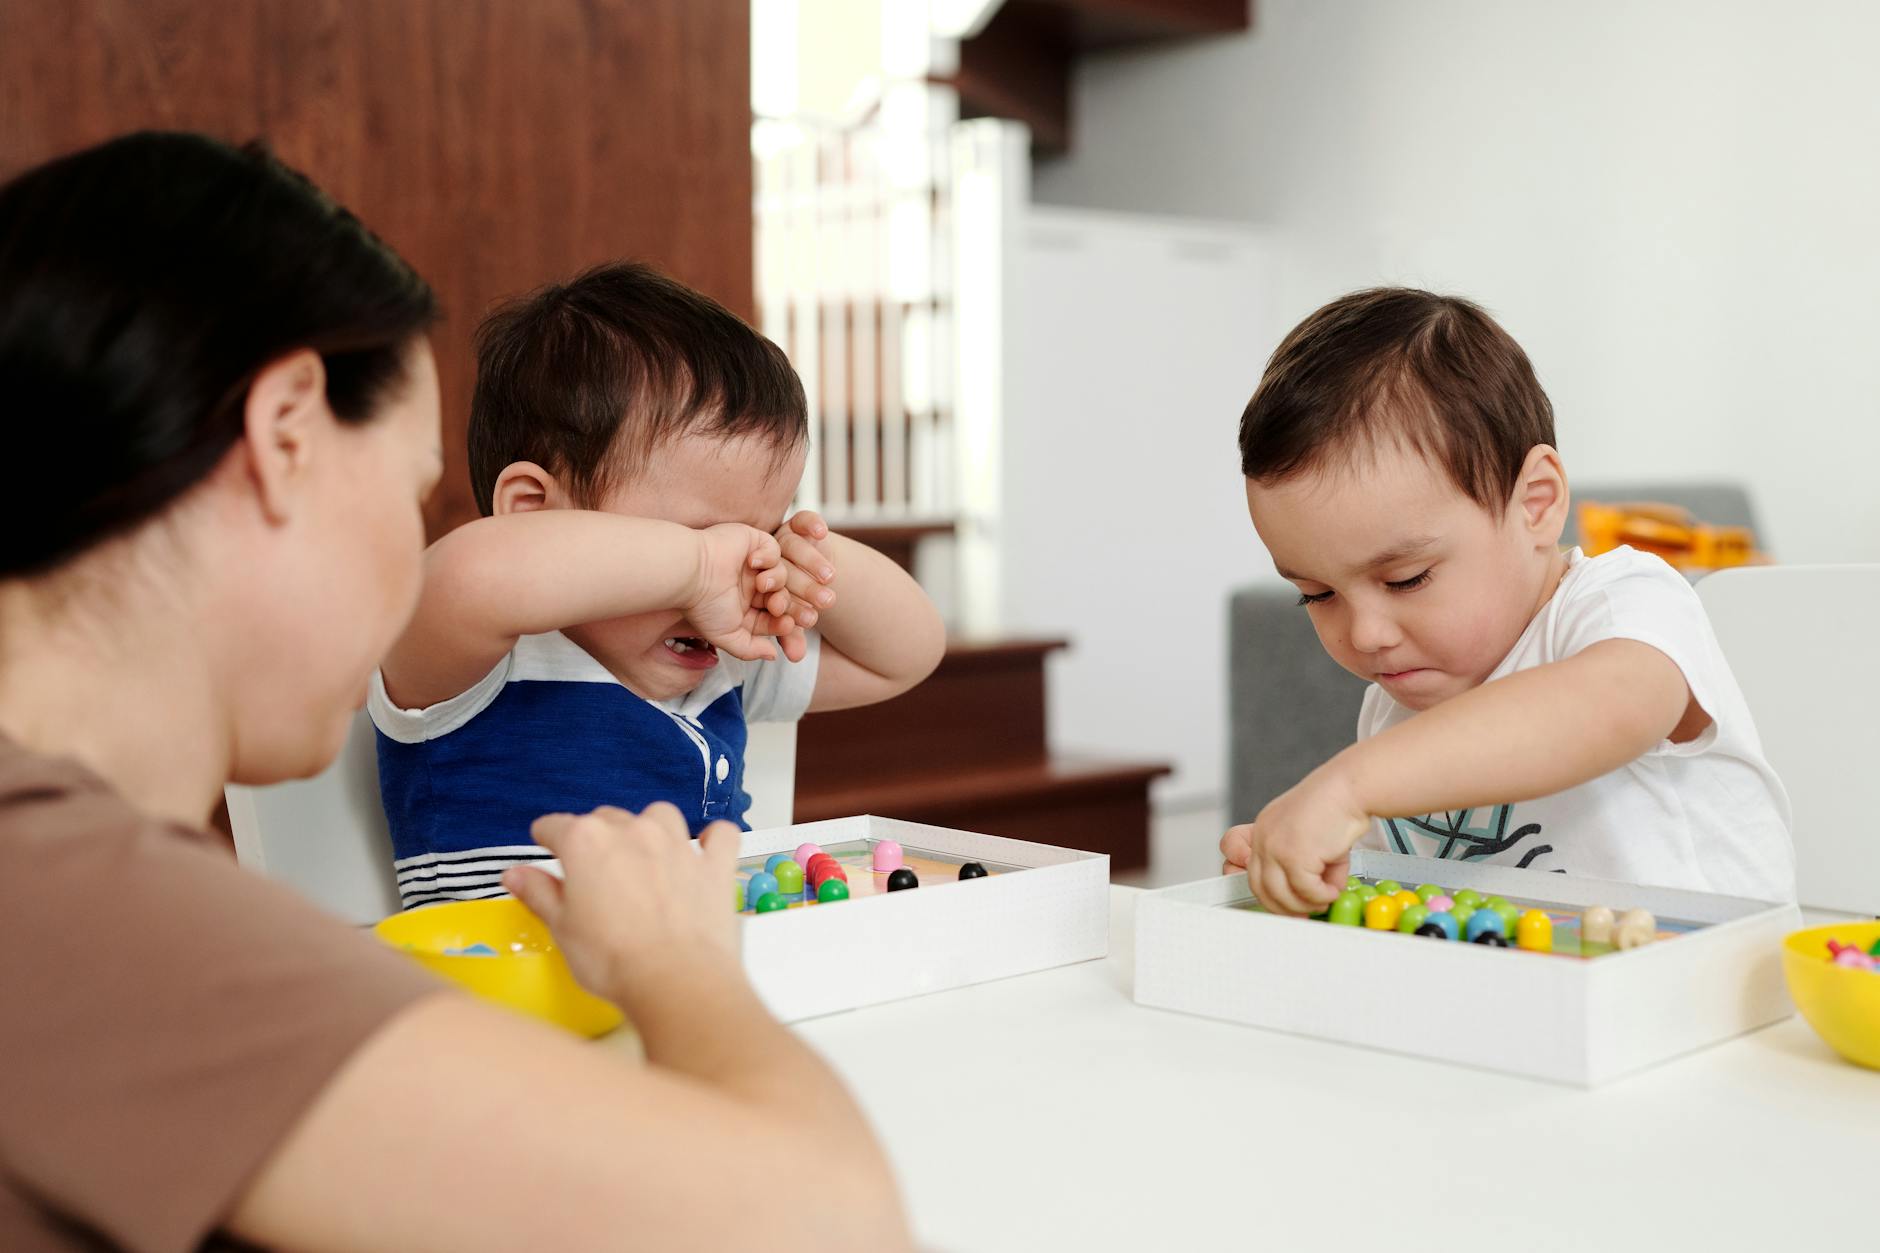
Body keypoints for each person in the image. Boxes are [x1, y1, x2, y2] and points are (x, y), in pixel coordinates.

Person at [0, 131, 908, 1252]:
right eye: (411, 489)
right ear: (284, 436)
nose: (416, 552)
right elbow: (829, 1223)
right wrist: (676, 961)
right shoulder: (86, 920)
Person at [369, 262, 946, 908]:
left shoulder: (723, 657)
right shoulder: (479, 666)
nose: (730, 569)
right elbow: (468, 576)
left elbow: (910, 651)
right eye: (696, 535)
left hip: (696, 993)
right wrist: (696, 565)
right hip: (512, 1004)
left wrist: (801, 553)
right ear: (533, 511)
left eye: (753, 535)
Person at [1220, 288, 1793, 913]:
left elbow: (1613, 705)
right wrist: (1316, 867)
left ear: (1536, 504)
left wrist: (1350, 784)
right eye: (1317, 594)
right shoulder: (1396, 710)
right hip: (1532, 995)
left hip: (1716, 993)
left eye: (1407, 578)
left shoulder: (1620, 603)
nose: (1365, 634)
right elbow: (1432, 893)